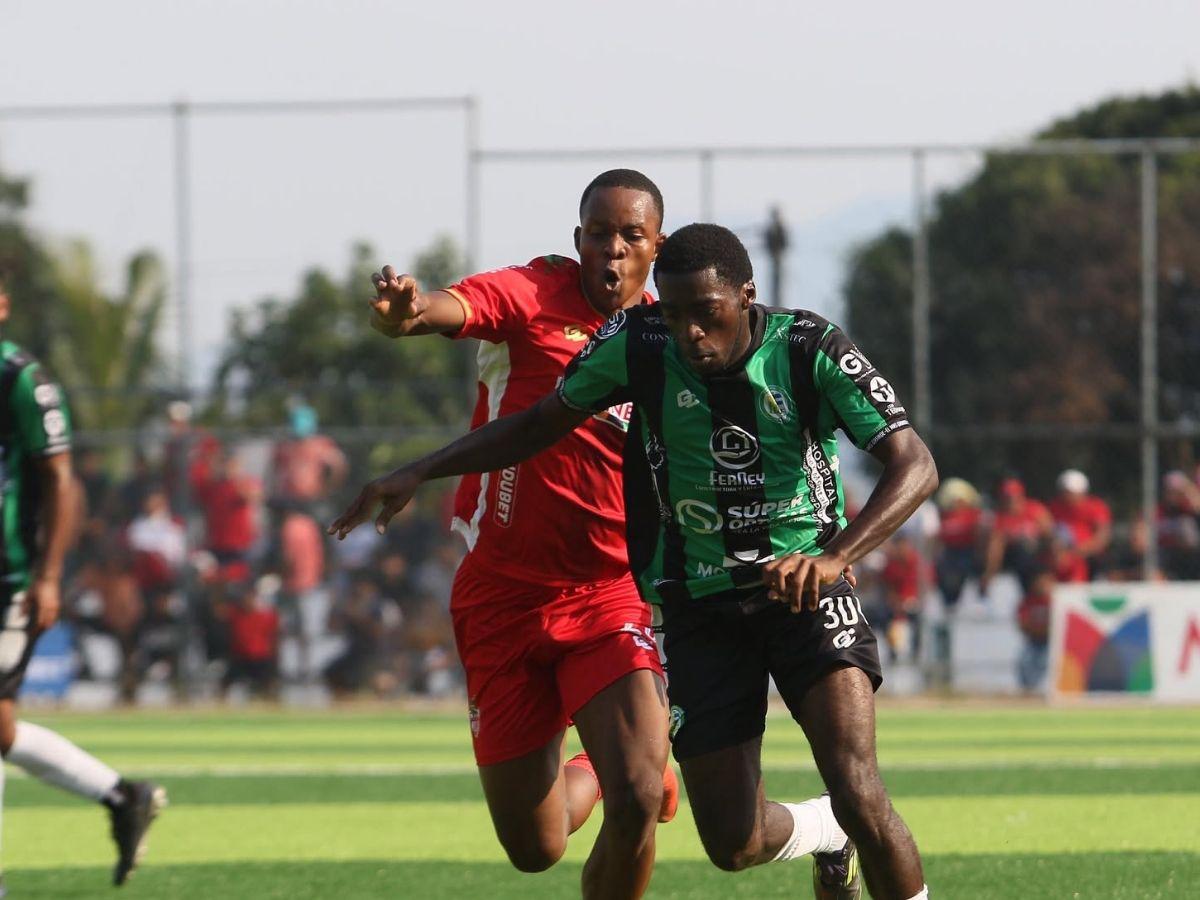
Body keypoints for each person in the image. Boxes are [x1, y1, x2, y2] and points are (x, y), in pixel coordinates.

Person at [333, 223, 939, 899]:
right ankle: (827, 832)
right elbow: (536, 424)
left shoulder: (808, 346)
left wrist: (835, 556)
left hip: (804, 591)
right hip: (700, 608)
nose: (690, 336)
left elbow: (915, 465)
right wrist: (420, 470)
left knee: (858, 787)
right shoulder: (637, 344)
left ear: (747, 295)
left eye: (706, 316)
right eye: (674, 316)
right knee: (732, 845)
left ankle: (845, 820)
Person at [357, 170, 684, 899]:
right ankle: (603, 762)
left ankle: (632, 758)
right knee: (536, 849)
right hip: (502, 597)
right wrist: (406, 315)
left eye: (632, 236)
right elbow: (446, 310)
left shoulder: (672, 341)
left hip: (606, 597)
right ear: (578, 241)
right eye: (599, 233)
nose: (614, 249)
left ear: (655, 247)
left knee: (637, 799)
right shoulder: (536, 293)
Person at [0, 275, 164, 888]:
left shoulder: (20, 377)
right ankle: (122, 797)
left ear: (4, 304)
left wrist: (46, 578)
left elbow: (63, 482)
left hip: (9, 578)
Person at [1048, 469, 1111, 579]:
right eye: (1065, 491)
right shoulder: (1054, 507)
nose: (1067, 496)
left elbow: (1101, 539)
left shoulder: (1096, 507)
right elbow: (1049, 533)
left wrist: (1075, 553)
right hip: (1060, 556)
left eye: (1071, 492)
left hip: (1089, 558)